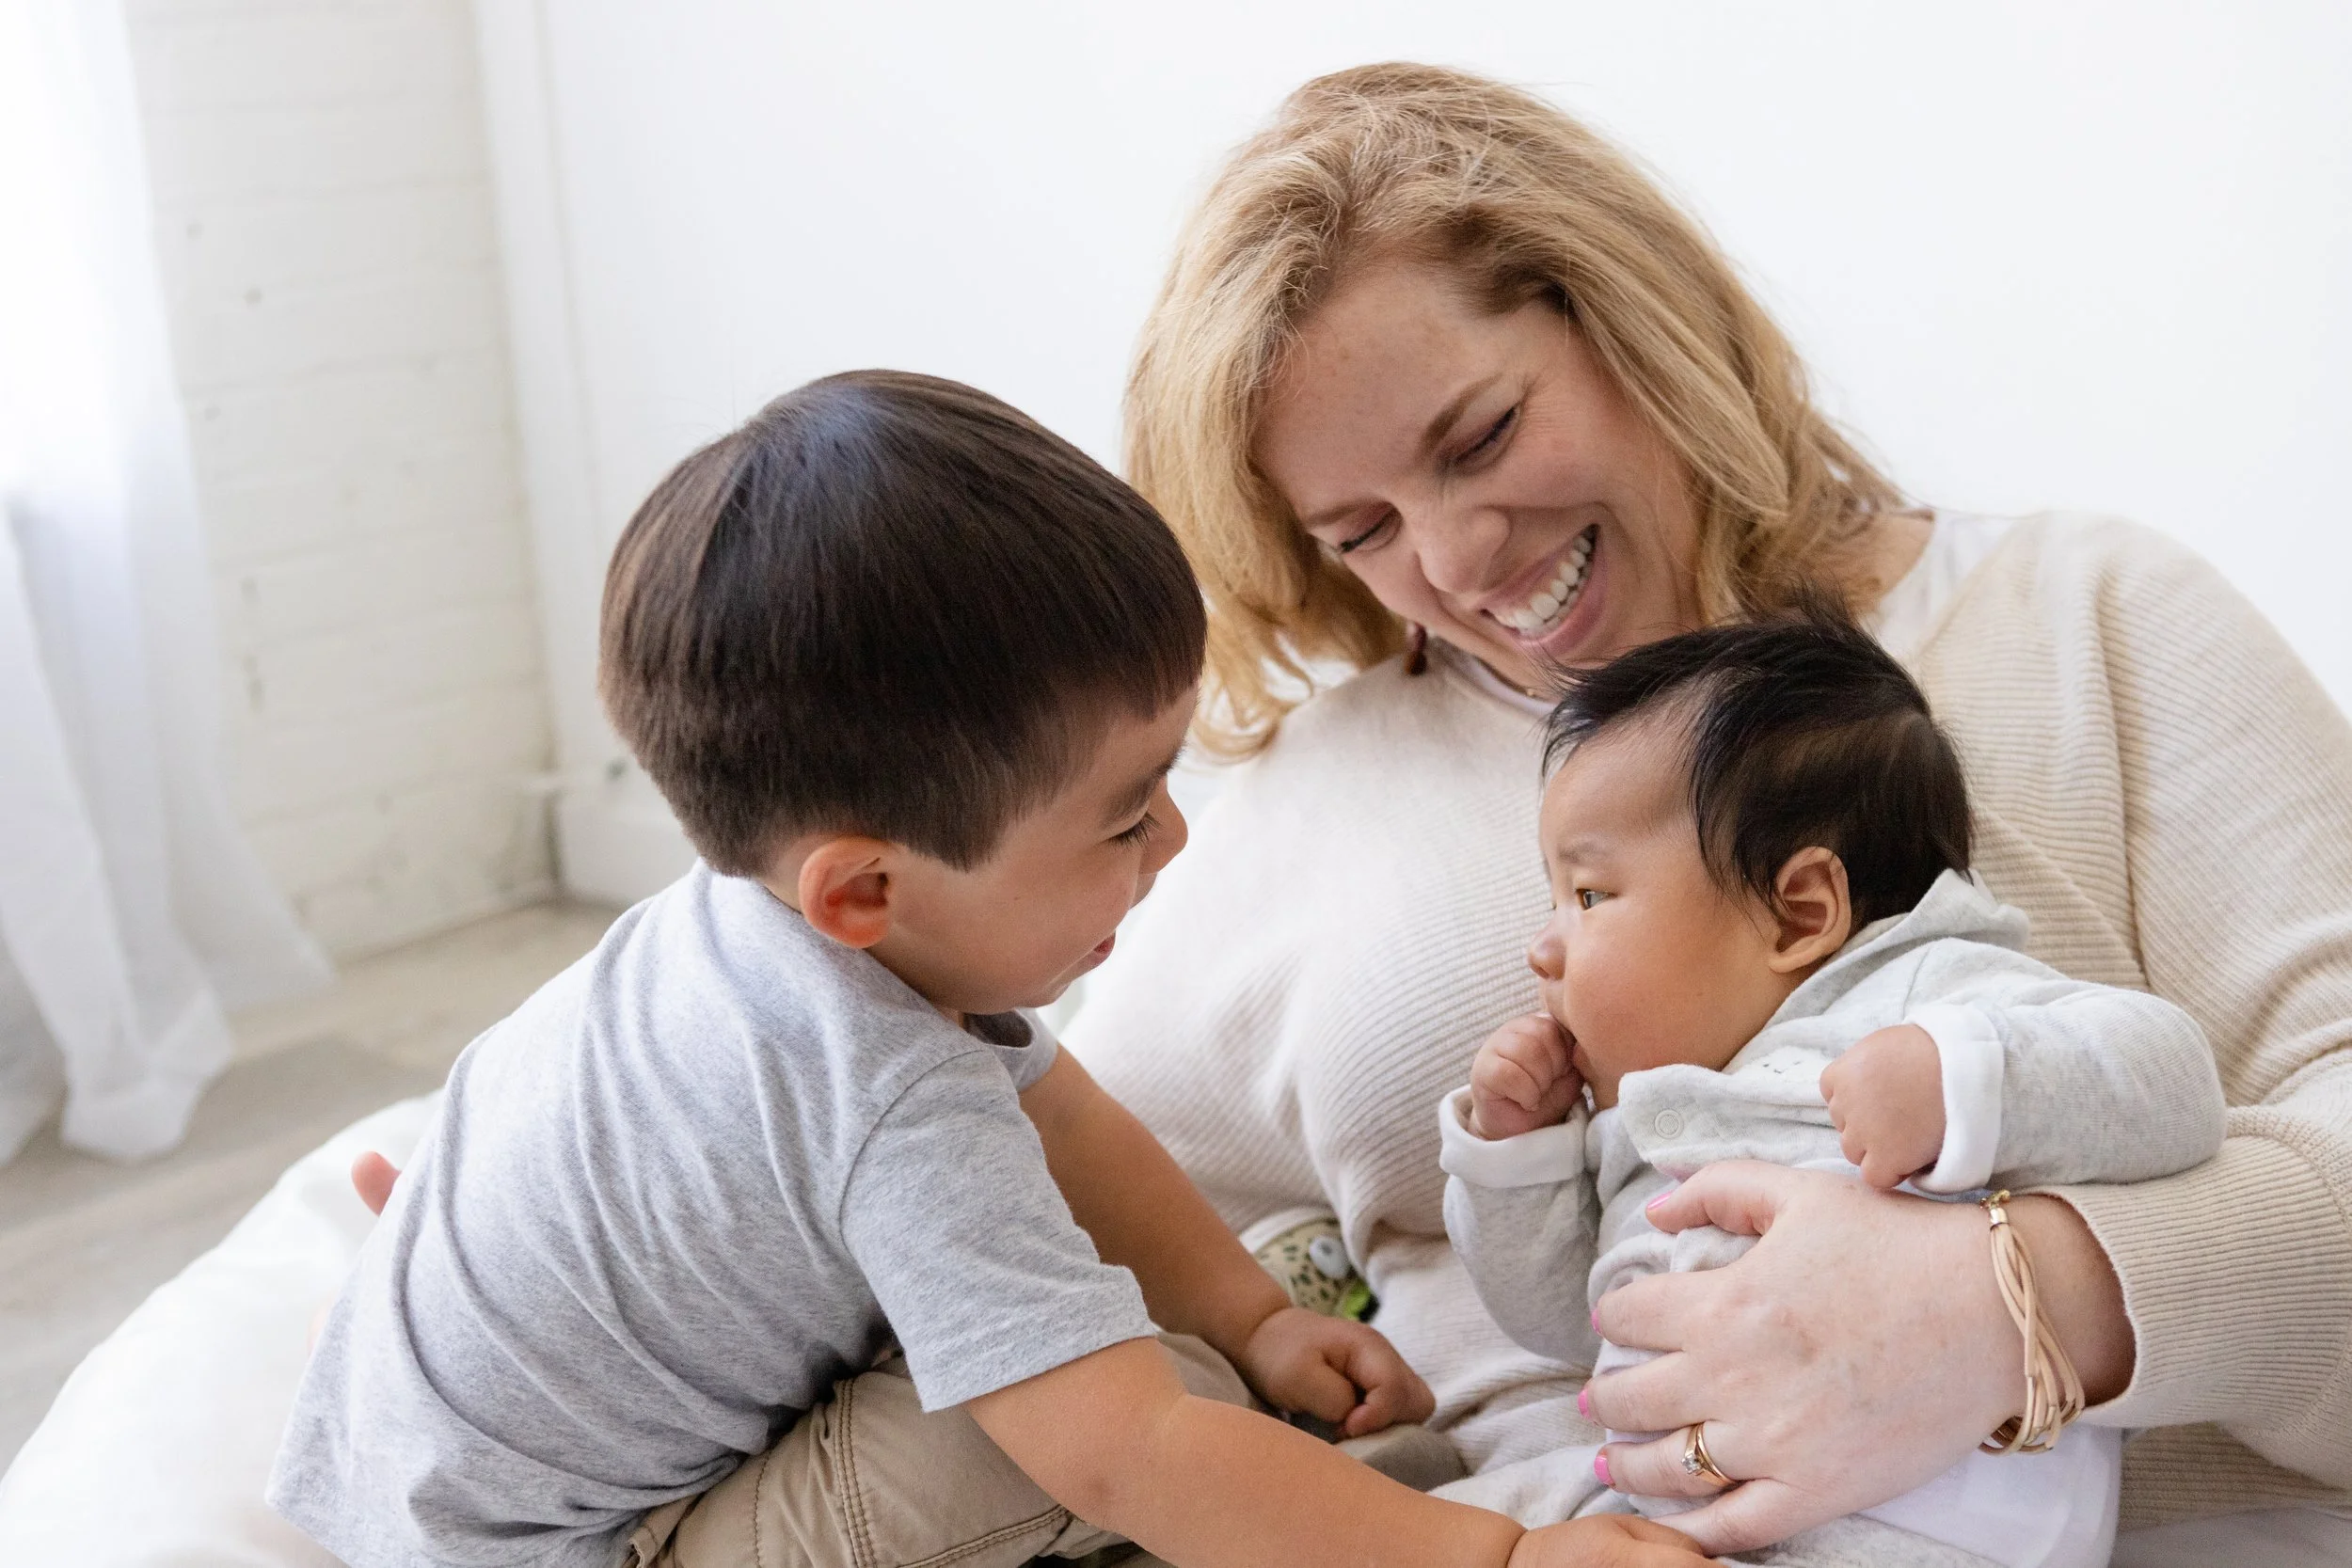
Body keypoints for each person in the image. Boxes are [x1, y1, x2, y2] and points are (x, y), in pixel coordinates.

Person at [1073, 60, 2352, 1561]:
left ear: (1628, 319)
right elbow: (1017, 1163)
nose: (1460, 560)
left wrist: (2026, 1300)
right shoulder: (1309, 804)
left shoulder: (2089, 617)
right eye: (1362, 530)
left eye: (1480, 437)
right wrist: (1307, 1331)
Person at [268, 372, 1706, 1568]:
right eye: (1124, 816)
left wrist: (1259, 1313)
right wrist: (1493, 1550)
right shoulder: (894, 1093)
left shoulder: (747, 922)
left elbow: (1063, 1112)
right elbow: (1131, 1449)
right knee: (1140, 1401)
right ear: (864, 889)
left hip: (407, 1439)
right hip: (581, 1542)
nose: (1175, 836)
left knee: (1129, 1324)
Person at [1438, 609, 2229, 1567]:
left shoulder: (1923, 995)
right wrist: (1515, 1150)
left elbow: (2175, 1080)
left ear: (1798, 913)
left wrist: (1961, 1082)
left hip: (1926, 1524)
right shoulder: (1645, 1112)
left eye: (1590, 895)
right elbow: (1563, 1320)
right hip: (1673, 1514)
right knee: (1453, 1520)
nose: (1542, 946)